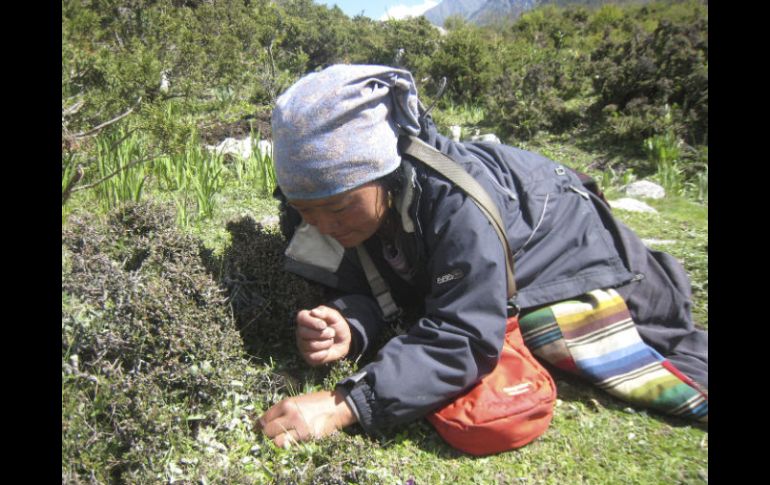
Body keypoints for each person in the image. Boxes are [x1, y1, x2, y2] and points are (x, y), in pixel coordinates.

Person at [256, 64, 708, 449]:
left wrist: (345, 405)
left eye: (336, 208)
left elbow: (466, 331)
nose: (323, 226)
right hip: (496, 236)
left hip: (574, 242)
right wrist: (348, 323)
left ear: (386, 173)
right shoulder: (326, 203)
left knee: (562, 337)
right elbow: (375, 283)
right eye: (303, 211)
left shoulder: (455, 202)